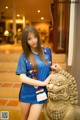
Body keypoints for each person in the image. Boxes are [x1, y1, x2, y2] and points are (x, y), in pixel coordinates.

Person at [16, 25, 61, 120]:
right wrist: (43, 83)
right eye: (29, 39)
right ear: (25, 41)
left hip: (40, 93)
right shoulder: (23, 56)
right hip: (26, 93)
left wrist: (53, 67)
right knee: (23, 118)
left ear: (38, 36)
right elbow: (22, 78)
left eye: (35, 37)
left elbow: (46, 67)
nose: (33, 41)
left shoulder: (47, 51)